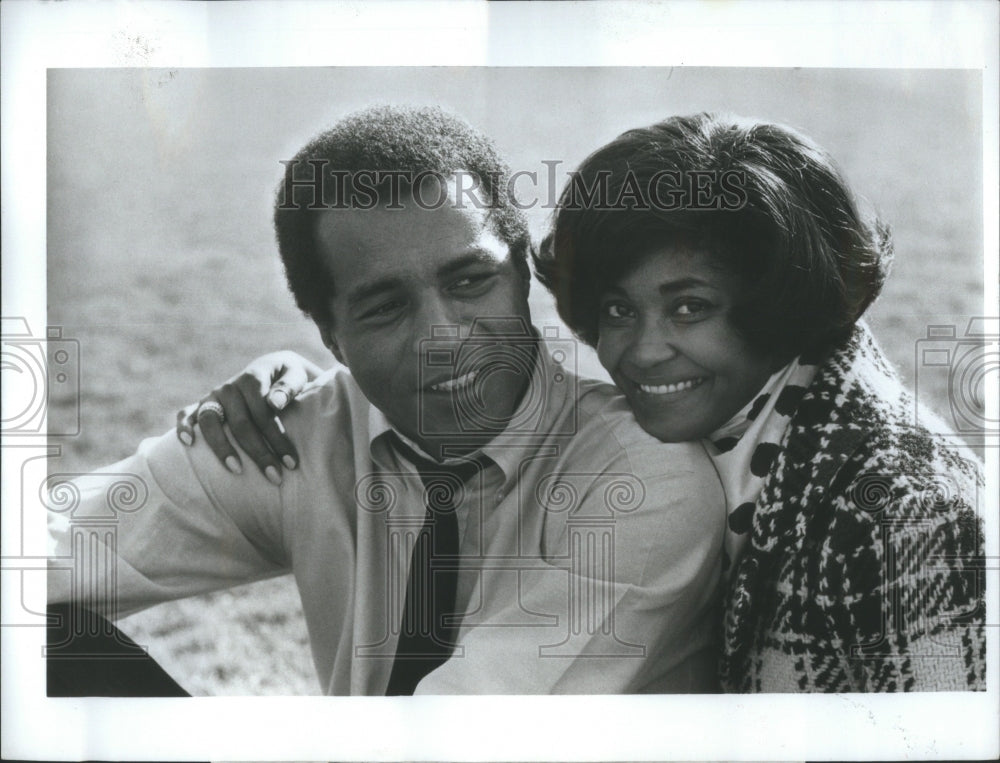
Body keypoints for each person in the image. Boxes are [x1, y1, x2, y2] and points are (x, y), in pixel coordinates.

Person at [201, 112, 986, 692]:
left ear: (775, 297)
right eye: (616, 310)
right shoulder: (759, 425)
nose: (639, 352)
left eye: (687, 307)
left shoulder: (908, 511)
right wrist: (295, 378)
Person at [47, 105, 726, 696]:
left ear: (522, 272)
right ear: (331, 335)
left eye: (469, 281)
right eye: (385, 306)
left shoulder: (644, 474)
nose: (441, 338)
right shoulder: (290, 432)